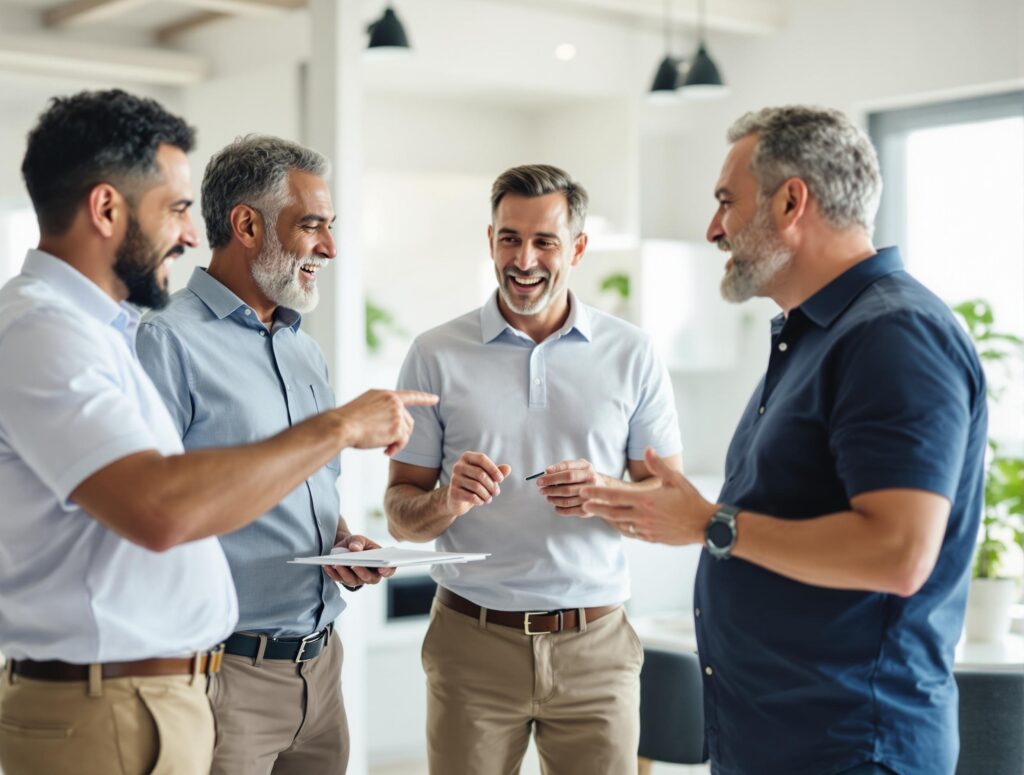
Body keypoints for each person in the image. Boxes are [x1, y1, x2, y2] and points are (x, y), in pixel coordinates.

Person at [0, 90, 435, 775]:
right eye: (175, 208)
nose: (189, 232)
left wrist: (335, 534)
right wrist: (340, 424)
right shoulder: (55, 332)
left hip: (233, 675)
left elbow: (236, 484)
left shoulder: (102, 332)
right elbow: (162, 506)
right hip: (134, 690)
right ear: (107, 209)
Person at [582, 106, 987, 775]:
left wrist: (712, 523)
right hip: (780, 743)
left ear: (791, 200)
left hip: (854, 750)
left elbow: (899, 550)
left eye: (725, 203)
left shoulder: (893, 335)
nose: (714, 230)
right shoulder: (819, 336)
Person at [384, 164, 683, 774]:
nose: (524, 259)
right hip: (471, 643)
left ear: (576, 247)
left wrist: (607, 494)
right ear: (490, 240)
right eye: (509, 238)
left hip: (597, 647)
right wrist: (447, 501)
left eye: (544, 241)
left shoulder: (632, 353)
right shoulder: (435, 354)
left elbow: (671, 506)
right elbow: (400, 516)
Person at [137, 135, 384, 775]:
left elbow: (307, 486)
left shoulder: (304, 348)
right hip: (223, 677)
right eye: (311, 227)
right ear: (246, 224)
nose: (329, 248)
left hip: (321, 672)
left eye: (330, 228)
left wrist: (343, 543)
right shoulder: (165, 342)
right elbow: (148, 513)